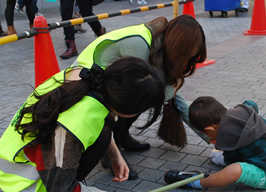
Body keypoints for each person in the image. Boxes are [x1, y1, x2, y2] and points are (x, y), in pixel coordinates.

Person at [0, 57, 165, 192]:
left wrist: (116, 156)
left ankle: (64, 191)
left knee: (103, 133)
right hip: (22, 181)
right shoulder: (73, 127)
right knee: (101, 136)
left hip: (28, 156)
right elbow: (62, 189)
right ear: (129, 108)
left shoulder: (93, 78)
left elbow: (96, 122)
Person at [71, 15, 208, 180]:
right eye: (186, 56)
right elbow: (137, 94)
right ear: (177, 46)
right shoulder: (140, 45)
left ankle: (122, 136)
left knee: (143, 95)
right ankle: (107, 150)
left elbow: (175, 99)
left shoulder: (160, 48)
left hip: (107, 86)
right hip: (83, 84)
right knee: (139, 97)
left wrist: (210, 137)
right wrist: (115, 156)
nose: (186, 62)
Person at [165, 97, 266, 190]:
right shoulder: (241, 111)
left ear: (209, 130)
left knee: (235, 170)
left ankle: (195, 183)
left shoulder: (230, 142)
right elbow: (251, 103)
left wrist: (220, 154)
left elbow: (230, 160)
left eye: (206, 134)